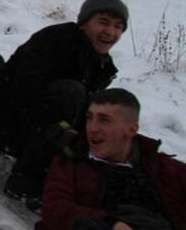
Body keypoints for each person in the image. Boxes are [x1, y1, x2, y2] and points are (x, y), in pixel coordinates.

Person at [0, 0, 129, 211]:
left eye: (118, 27)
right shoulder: (55, 40)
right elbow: (23, 91)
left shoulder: (101, 64)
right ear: (84, 23)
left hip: (31, 126)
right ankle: (23, 180)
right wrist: (59, 131)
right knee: (72, 92)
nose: (110, 32)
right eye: (103, 22)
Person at [39, 88, 186, 230]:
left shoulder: (162, 168)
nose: (92, 128)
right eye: (90, 118)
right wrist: (111, 224)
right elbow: (55, 208)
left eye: (104, 120)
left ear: (132, 130)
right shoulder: (71, 162)